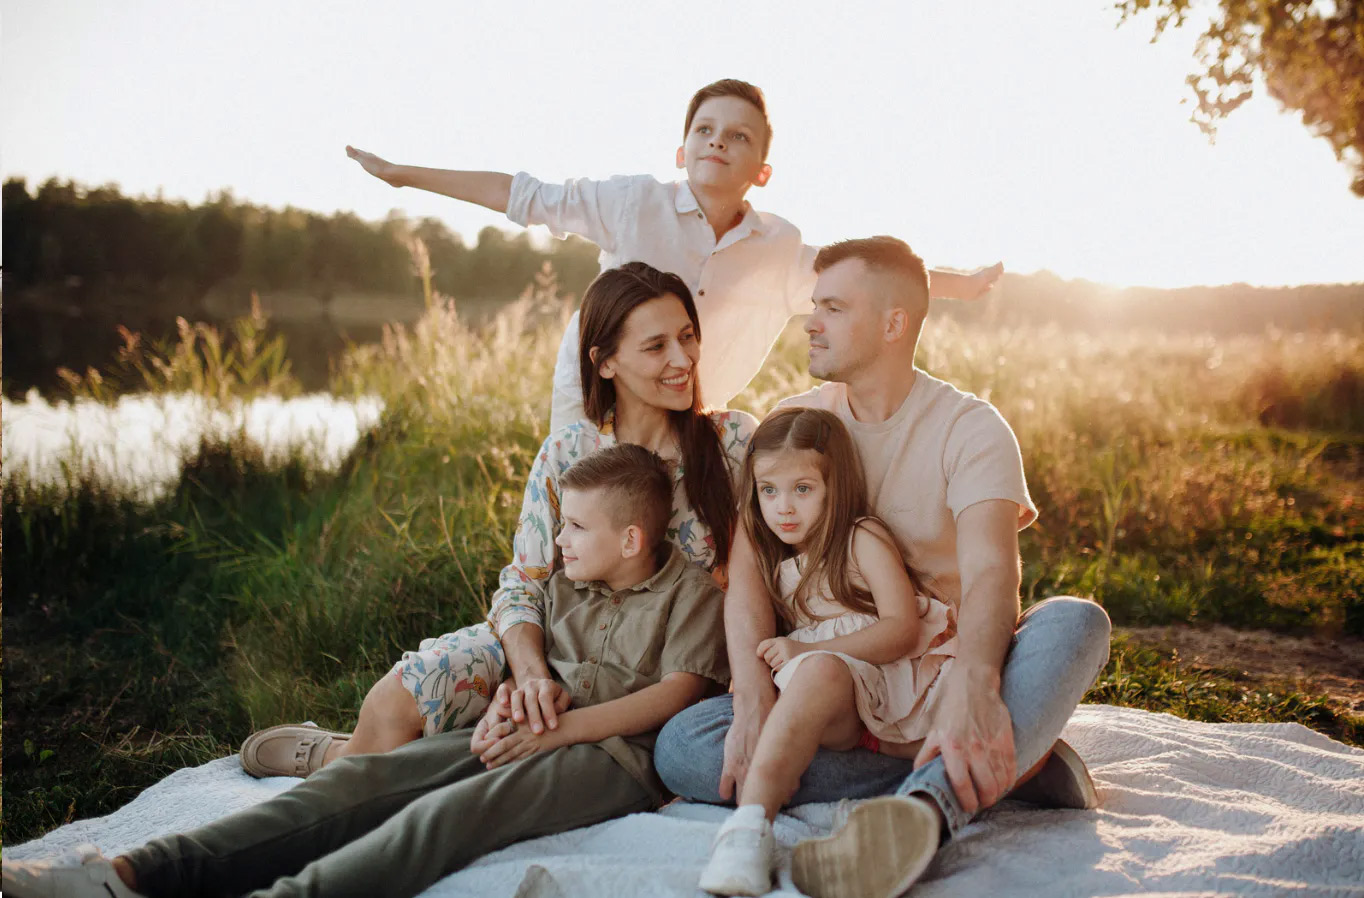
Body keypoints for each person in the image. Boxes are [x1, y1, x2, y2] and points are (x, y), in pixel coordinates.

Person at [2, 444, 732, 898]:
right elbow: (530, 656)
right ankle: (133, 874)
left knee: (442, 817)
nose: (559, 539)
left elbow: (676, 696)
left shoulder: (690, 593)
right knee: (365, 779)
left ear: (632, 537)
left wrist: (559, 730)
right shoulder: (565, 583)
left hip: (609, 757)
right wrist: (515, 699)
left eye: (574, 526)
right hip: (525, 731)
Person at [654, 237, 1112, 898]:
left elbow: (992, 575)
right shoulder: (795, 423)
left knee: (1075, 623)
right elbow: (748, 572)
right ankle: (1010, 762)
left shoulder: (971, 428)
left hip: (940, 669)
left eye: (833, 308)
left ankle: (927, 807)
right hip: (835, 680)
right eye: (814, 305)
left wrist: (978, 684)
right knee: (683, 747)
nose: (810, 321)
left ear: (894, 323)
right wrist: (753, 694)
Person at [237, 262, 756, 777]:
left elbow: (765, 570)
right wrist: (530, 676)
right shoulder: (568, 452)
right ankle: (340, 757)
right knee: (404, 696)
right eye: (656, 345)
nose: (683, 358)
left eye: (688, 336)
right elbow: (523, 585)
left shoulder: (733, 444)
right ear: (604, 363)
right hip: (557, 644)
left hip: (665, 662)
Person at [345, 77, 1005, 432]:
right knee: (587, 520)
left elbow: (868, 281)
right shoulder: (633, 202)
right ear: (681, 151)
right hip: (597, 395)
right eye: (705, 130)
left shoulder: (779, 247)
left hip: (693, 415)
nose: (719, 141)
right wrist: (405, 174)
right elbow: (522, 194)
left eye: (738, 136)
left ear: (762, 170)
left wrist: (963, 286)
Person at [698, 408, 958, 896]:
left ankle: (750, 822)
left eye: (803, 489)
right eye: (769, 491)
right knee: (692, 738)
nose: (784, 508)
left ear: (834, 486)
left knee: (820, 672)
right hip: (848, 714)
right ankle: (747, 832)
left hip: (899, 681)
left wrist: (808, 648)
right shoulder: (778, 563)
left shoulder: (861, 537)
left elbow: (900, 628)